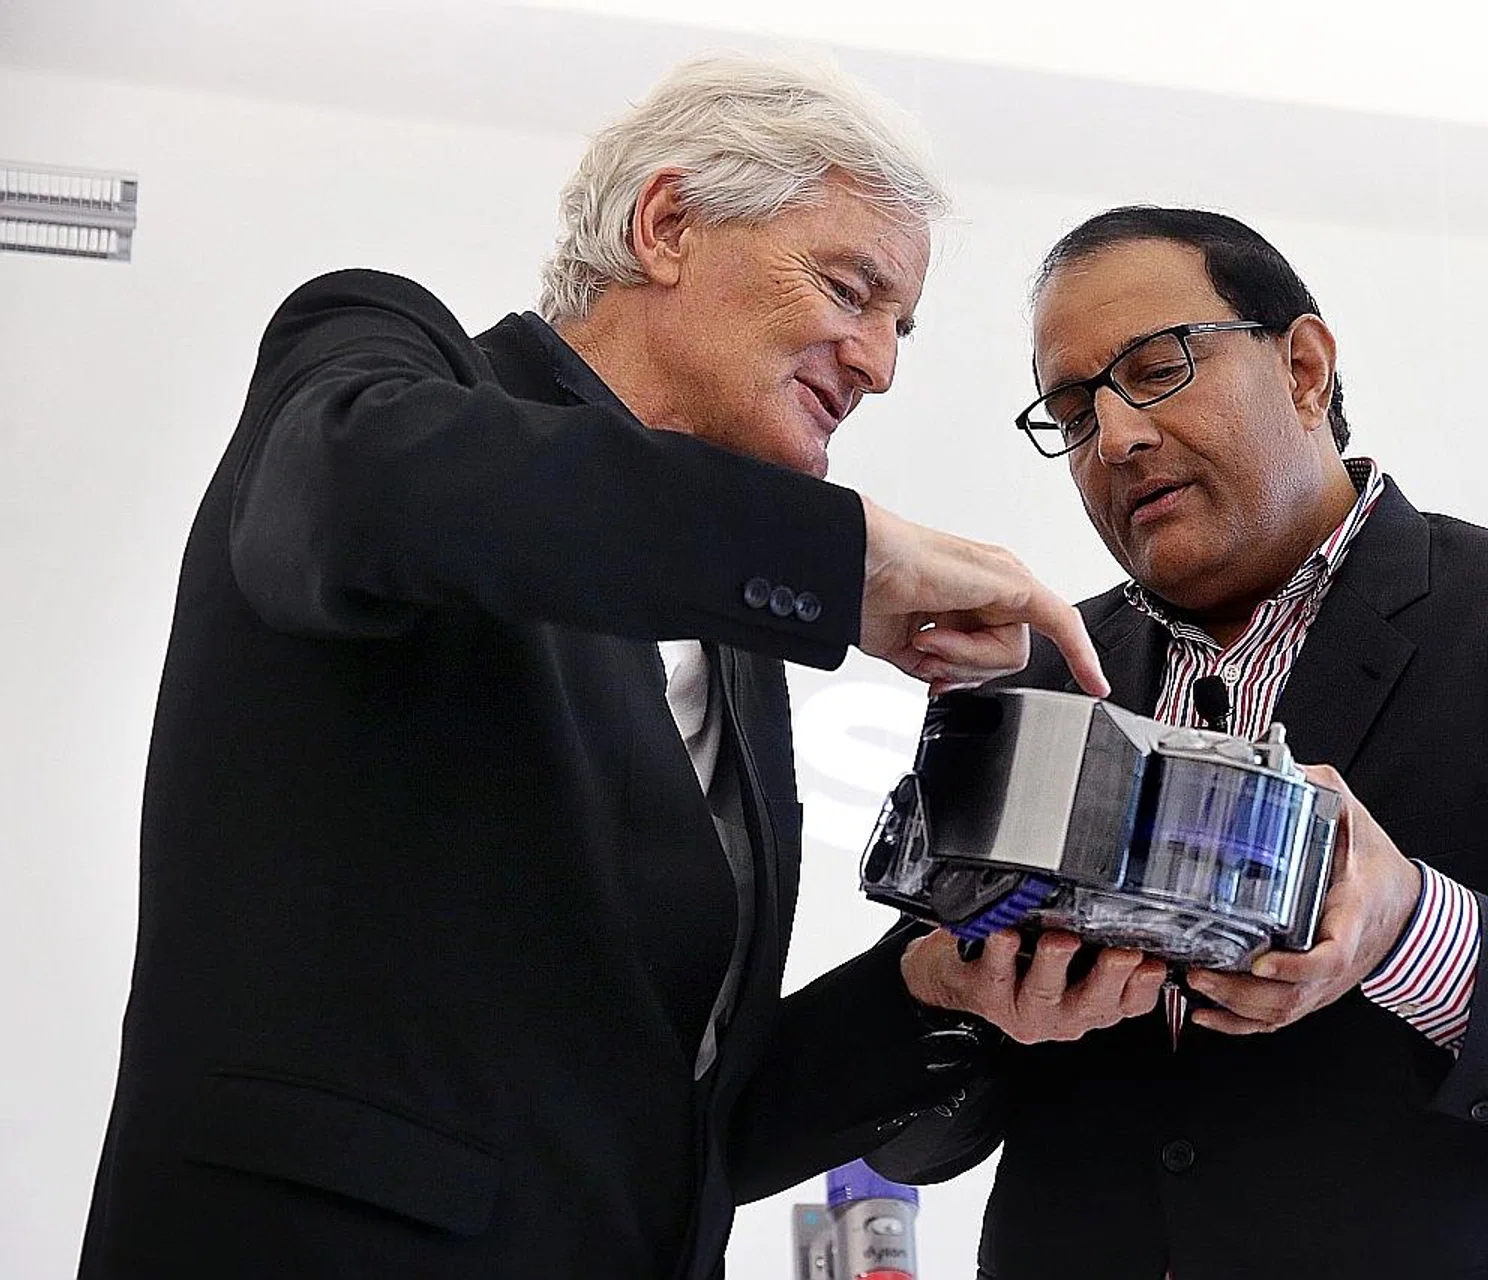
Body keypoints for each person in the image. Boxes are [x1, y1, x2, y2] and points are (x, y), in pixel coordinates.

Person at [75, 57, 1158, 1280]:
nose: (878, 363)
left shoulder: (736, 647)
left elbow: (680, 1132)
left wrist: (934, 983)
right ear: (667, 223)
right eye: (850, 289)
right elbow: (354, 494)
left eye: (897, 326)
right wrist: (848, 557)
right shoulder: (382, 363)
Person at [870, 207, 1488, 1279]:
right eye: (1074, 414)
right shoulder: (1035, 677)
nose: (1115, 438)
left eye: (1157, 371)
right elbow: (909, 1138)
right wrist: (957, 1000)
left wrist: (1408, 928)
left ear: (1304, 368)